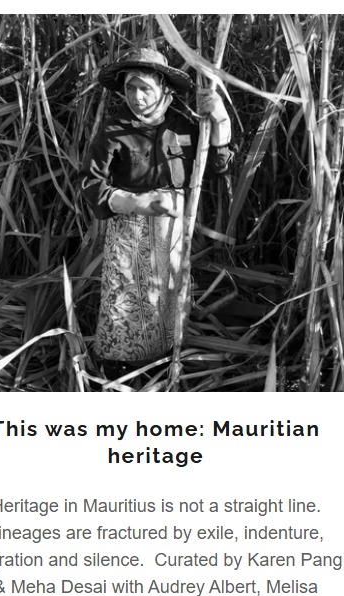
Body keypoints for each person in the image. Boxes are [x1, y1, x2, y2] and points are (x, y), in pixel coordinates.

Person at [80, 48, 232, 380]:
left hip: (174, 233)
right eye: (131, 87)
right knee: (126, 301)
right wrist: (138, 203)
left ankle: (164, 362)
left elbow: (218, 166)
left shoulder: (185, 127)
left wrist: (219, 119)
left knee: (168, 298)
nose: (136, 96)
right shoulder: (113, 129)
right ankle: (117, 367)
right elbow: (90, 184)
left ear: (163, 88)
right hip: (129, 234)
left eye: (145, 88)